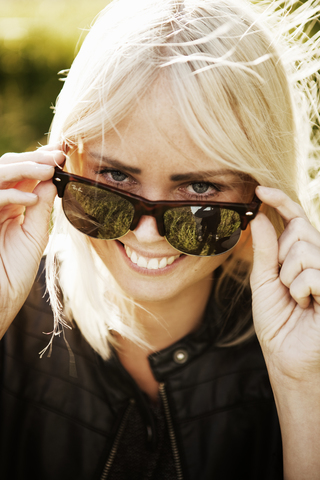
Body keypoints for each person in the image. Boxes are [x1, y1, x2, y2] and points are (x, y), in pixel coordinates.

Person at [0, 0, 320, 478]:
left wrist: (304, 386)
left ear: (262, 192)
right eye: (115, 176)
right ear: (62, 162)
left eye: (199, 189)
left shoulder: (304, 347)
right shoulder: (13, 322)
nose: (146, 232)